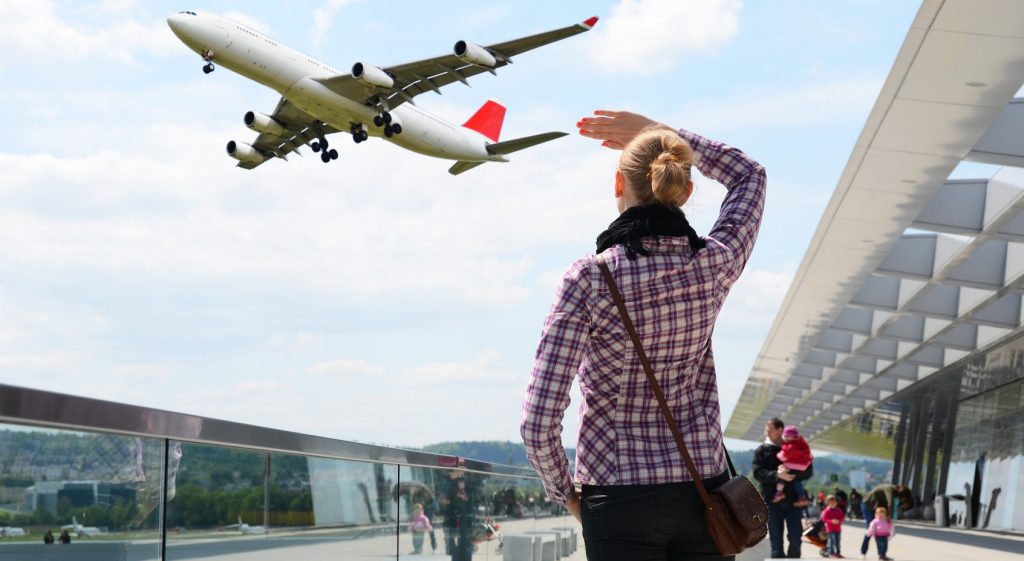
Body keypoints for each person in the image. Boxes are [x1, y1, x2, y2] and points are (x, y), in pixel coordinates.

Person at [521, 110, 766, 561]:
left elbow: (538, 424)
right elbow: (749, 176)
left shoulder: (589, 279)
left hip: (616, 498)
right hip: (703, 493)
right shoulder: (712, 264)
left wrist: (569, 497)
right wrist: (665, 131)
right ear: (686, 191)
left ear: (618, 185)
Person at [754, 418, 813, 558]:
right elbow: (757, 473)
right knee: (775, 540)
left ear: (780, 430)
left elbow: (809, 471)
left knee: (795, 538)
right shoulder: (762, 450)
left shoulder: (797, 446)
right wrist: (777, 475)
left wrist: (790, 475)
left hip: (794, 501)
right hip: (771, 501)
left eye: (769, 429)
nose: (766, 432)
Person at [859, 484, 912, 558]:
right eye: (903, 498)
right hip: (867, 505)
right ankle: (863, 552)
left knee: (881, 531)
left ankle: (881, 554)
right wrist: (889, 517)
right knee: (870, 528)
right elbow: (889, 504)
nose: (901, 499)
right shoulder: (890, 489)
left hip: (876, 507)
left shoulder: (893, 490)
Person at [774, 425, 812, 507]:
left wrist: (778, 455)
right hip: (803, 466)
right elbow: (810, 456)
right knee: (796, 481)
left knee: (782, 475)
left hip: (792, 465)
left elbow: (784, 456)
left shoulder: (791, 445)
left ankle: (779, 492)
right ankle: (802, 497)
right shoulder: (802, 443)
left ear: (788, 436)